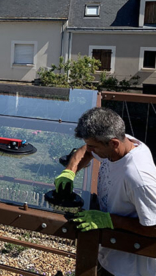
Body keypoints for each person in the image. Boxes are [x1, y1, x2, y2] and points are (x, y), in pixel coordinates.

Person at [54, 107, 156, 276]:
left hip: (130, 269)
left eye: (94, 146)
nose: (90, 151)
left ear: (114, 143)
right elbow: (85, 151)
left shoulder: (139, 179)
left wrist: (110, 220)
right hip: (110, 254)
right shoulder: (122, 144)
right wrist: (70, 171)